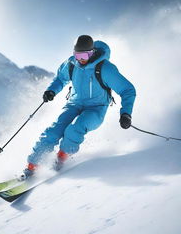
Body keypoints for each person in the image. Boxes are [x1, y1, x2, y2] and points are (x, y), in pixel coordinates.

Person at [21, 35, 136, 180]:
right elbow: (61, 79)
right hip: (74, 104)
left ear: (92, 52)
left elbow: (128, 90)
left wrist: (126, 113)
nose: (81, 59)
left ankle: (61, 159)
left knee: (75, 129)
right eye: (78, 55)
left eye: (85, 55)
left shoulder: (105, 68)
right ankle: (32, 166)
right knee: (53, 132)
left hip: (96, 108)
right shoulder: (71, 64)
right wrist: (52, 90)